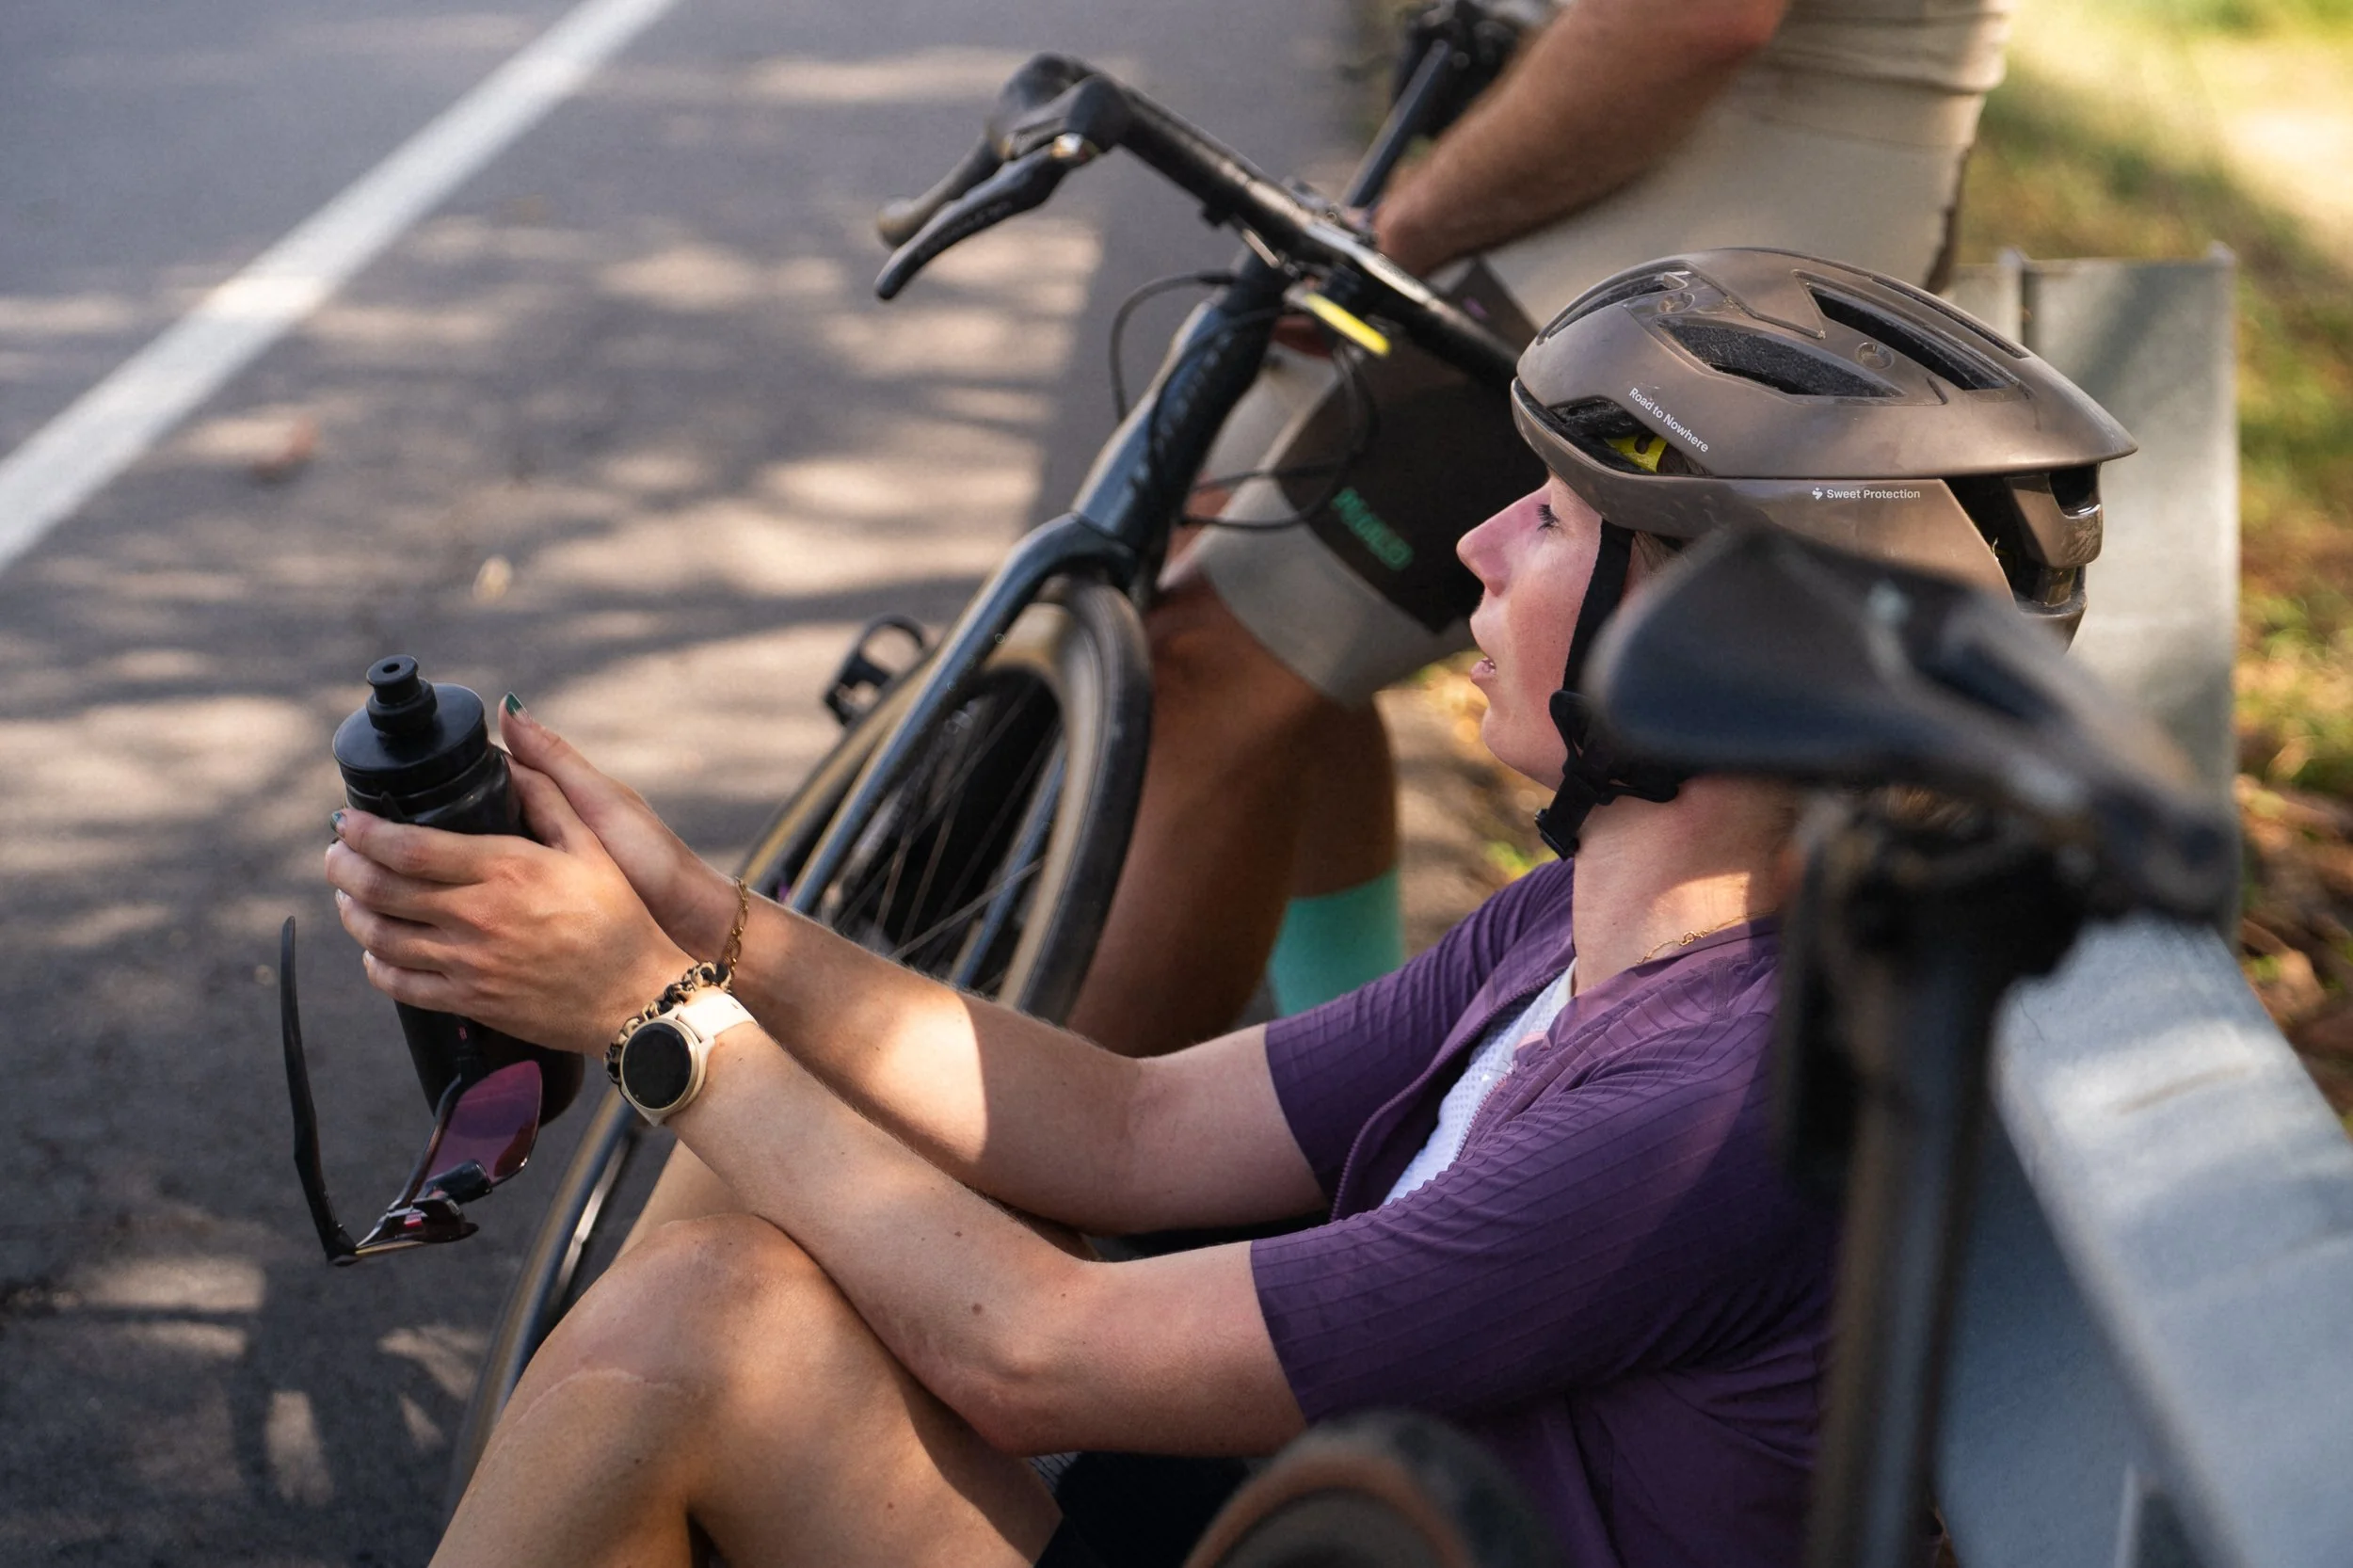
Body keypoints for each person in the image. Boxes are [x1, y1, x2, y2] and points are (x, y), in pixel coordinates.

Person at [325, 250, 2131, 1568]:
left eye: (1560, 526)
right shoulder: (1576, 934)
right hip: (1288, 1513)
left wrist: (651, 1015)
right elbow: (1128, 1126)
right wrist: (701, 921)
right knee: (755, 1176)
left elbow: (1035, 1355)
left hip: (1293, 1519)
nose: (1481, 546)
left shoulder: (1709, 1109)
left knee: (704, 1321)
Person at [1066, 0, 2023, 1055]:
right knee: (1240, 592)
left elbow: (1693, 23)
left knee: (1208, 660)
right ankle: (1345, 1069)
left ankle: (1086, 1139)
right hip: (1619, 175)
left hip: (1730, 204)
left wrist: (1398, 235)